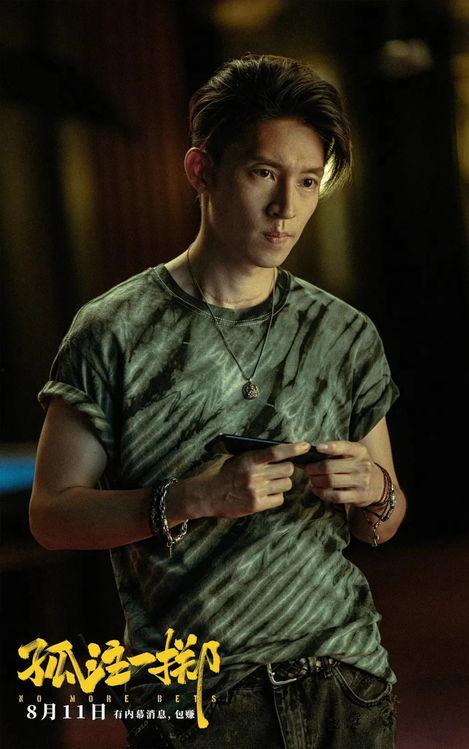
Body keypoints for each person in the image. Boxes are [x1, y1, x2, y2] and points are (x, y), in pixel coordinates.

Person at [30, 54, 406, 748]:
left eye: (308, 181)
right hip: (196, 698)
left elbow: (380, 525)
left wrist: (374, 491)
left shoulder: (344, 333)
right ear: (201, 170)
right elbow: (52, 516)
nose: (287, 207)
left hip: (344, 684)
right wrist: (196, 498)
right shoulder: (115, 329)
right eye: (263, 173)